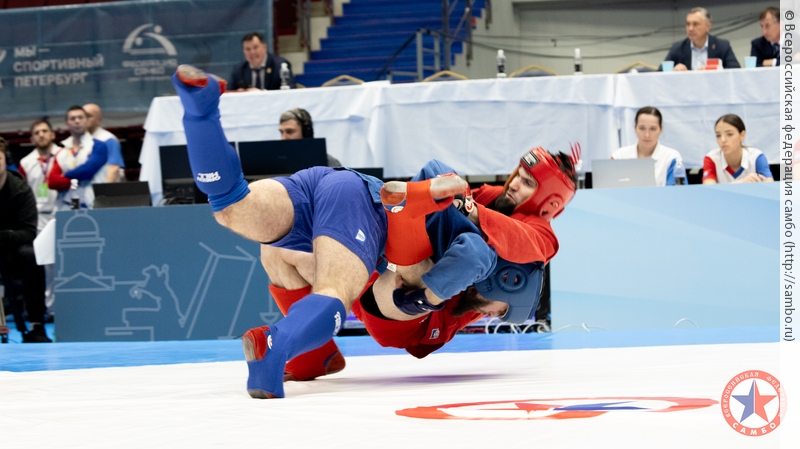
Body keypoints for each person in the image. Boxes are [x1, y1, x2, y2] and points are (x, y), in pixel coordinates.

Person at [172, 64, 466, 399]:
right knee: (334, 289)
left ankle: (201, 113)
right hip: (354, 200)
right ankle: (276, 346)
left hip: (322, 185)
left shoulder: (443, 293)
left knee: (233, 208)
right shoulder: (464, 270)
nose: (494, 312)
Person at [0, 144, 51, 343]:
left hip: (12, 250)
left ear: (6, 160)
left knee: (31, 255)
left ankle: (36, 325)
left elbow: (29, 232)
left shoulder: (20, 189)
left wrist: (4, 236)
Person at [48, 106, 109, 209]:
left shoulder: (98, 146)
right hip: (67, 205)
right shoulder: (61, 151)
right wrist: (75, 180)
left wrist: (65, 175)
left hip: (92, 204)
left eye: (80, 117)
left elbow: (87, 171)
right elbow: (52, 181)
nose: (77, 121)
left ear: (87, 121)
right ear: (67, 124)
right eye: (73, 118)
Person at [611, 107, 683, 186]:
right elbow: (608, 188)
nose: (647, 135)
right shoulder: (619, 156)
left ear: (661, 129)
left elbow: (678, 191)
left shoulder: (671, 157)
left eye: (653, 129)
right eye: (642, 128)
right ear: (635, 128)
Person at [702, 114, 773, 184]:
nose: (723, 140)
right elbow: (709, 189)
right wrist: (741, 182)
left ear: (742, 135)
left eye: (729, 134)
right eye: (718, 135)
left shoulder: (756, 157)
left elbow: (770, 186)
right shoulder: (711, 158)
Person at [663, 7, 740, 71]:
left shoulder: (722, 46)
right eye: (688, 24)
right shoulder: (678, 48)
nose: (690, 28)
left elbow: (736, 71)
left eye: (695, 24)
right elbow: (659, 74)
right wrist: (673, 71)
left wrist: (715, 70)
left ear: (708, 27)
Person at [18, 120, 59, 230]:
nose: (41, 135)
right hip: (37, 216)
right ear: (32, 139)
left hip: (61, 211)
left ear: (52, 135)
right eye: (37, 133)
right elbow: (21, 193)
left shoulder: (64, 156)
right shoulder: (25, 163)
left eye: (44, 131)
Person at [229, 32, 295, 91]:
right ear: (243, 51)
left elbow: (291, 91)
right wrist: (238, 93)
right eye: (248, 49)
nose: (252, 52)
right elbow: (228, 93)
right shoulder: (239, 70)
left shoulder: (279, 66)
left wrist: (261, 93)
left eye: (255, 47)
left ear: (264, 47)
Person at [84, 103, 126, 182]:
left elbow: (113, 168)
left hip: (103, 186)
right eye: (82, 116)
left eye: (88, 116)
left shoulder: (108, 139)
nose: (84, 119)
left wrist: (106, 189)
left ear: (99, 120)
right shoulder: (79, 140)